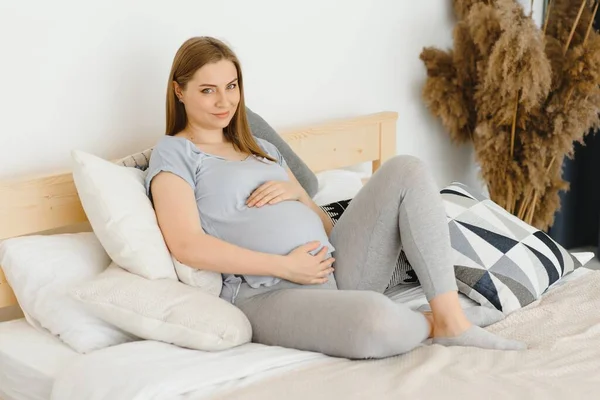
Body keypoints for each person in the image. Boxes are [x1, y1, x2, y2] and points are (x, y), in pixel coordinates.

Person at [145, 36, 527, 359]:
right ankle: (431, 323)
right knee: (373, 321)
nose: (224, 101)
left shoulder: (261, 146)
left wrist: (301, 196)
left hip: (336, 266)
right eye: (207, 90)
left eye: (231, 86)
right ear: (180, 91)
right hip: (268, 294)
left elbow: (326, 226)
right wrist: (285, 267)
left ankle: (451, 320)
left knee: (407, 168)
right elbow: (186, 244)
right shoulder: (174, 153)